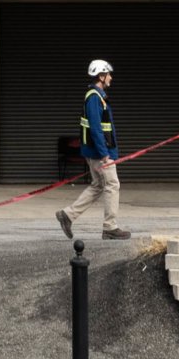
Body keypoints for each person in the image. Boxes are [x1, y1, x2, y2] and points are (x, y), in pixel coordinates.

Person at [58, 58, 127, 240]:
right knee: (112, 185)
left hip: (97, 151)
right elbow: (96, 128)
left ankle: (68, 215)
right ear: (101, 76)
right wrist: (105, 154)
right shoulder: (94, 98)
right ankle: (110, 227)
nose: (111, 77)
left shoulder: (96, 97)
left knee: (98, 185)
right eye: (108, 74)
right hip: (100, 153)